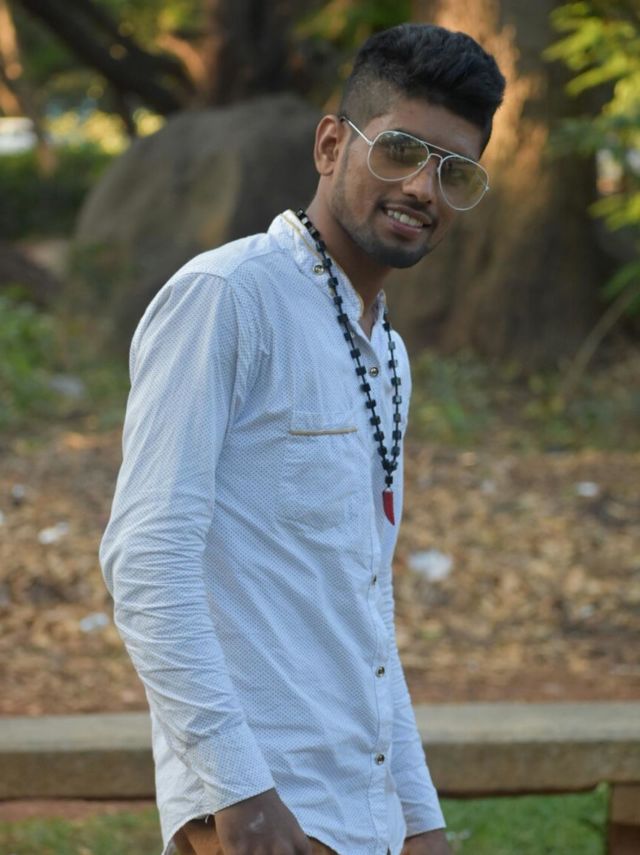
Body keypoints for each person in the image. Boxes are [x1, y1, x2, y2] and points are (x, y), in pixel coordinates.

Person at [100, 22, 505, 855]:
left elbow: (363, 603)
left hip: (361, 814)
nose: (422, 188)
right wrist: (238, 791)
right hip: (265, 813)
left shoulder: (386, 354)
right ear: (330, 145)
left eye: (453, 171)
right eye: (400, 151)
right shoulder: (228, 298)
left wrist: (419, 816)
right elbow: (147, 559)